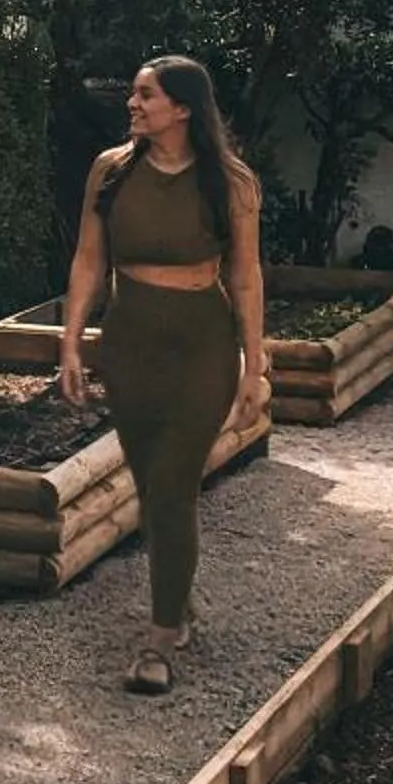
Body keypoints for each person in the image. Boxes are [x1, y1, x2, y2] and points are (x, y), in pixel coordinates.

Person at [58, 56, 265, 694]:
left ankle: (159, 639)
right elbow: (89, 260)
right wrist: (70, 342)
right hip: (130, 343)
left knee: (173, 486)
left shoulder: (228, 181)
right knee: (153, 488)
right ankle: (177, 601)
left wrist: (254, 364)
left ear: (182, 108)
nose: (133, 103)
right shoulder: (111, 171)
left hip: (202, 344)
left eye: (146, 95)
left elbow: (246, 275)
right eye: (135, 94)